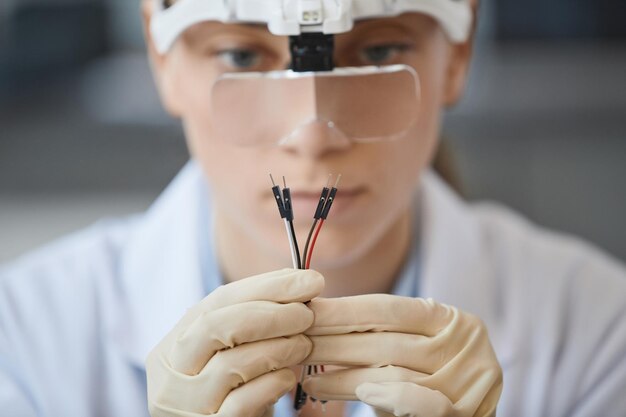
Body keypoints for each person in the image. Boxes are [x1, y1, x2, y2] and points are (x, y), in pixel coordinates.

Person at [1, 0, 625, 416]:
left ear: (457, 52)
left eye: (378, 55)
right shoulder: (24, 341)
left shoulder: (598, 335)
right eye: (243, 58)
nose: (313, 135)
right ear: (161, 57)